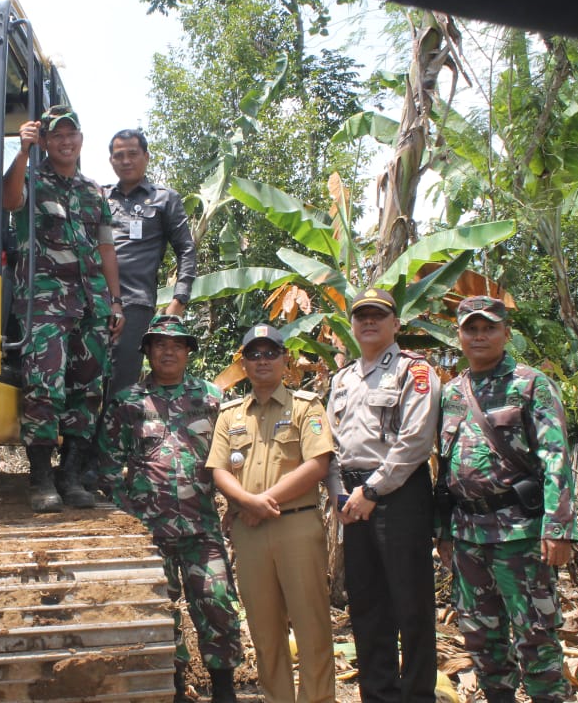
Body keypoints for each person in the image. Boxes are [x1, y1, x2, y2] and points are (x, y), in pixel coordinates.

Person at [435, 296, 577, 703]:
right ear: (459, 335)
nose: (480, 336)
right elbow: (444, 469)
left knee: (535, 635)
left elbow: (555, 457)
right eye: (471, 328)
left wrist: (560, 528)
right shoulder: (451, 393)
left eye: (489, 328)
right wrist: (443, 530)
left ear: (505, 333)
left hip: (520, 534)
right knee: (481, 638)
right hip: (467, 536)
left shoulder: (530, 384)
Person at [100, 315, 242, 703]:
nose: (168, 350)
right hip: (149, 532)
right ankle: (175, 689)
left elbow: (235, 459)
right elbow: (109, 466)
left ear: (188, 352)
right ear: (147, 351)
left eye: (177, 344)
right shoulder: (128, 401)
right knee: (161, 613)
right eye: (159, 343)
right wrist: (127, 520)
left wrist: (236, 503)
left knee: (218, 605)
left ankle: (225, 690)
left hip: (203, 527)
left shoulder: (212, 399)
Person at [1, 105, 124, 513]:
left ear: (81, 140)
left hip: (91, 302)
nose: (65, 141)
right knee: (44, 387)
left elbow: (106, 247)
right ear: (46, 142)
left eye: (71, 134)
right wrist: (21, 153)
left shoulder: (93, 191)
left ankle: (69, 475)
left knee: (87, 390)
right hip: (44, 301)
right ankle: (40, 478)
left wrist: (116, 301)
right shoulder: (32, 180)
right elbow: (8, 199)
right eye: (57, 136)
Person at [206, 324, 335, 703]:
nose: (262, 361)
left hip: (296, 526)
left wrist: (262, 503)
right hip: (249, 533)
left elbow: (318, 464)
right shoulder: (230, 415)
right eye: (254, 354)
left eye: (270, 353)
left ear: (285, 360)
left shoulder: (306, 407)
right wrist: (248, 504)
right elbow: (217, 470)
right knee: (264, 630)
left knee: (311, 627)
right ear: (243, 363)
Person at [326, 287, 440, 703]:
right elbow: (331, 446)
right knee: (367, 603)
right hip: (354, 501)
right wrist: (342, 497)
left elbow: (416, 440)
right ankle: (378, 694)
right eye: (361, 316)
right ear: (352, 325)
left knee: (410, 603)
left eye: (378, 315)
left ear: (396, 324)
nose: (369, 322)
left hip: (399, 495)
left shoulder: (415, 370)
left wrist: (372, 490)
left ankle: (417, 695)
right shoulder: (342, 378)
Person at [104, 129, 196, 394]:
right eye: (118, 156)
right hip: (94, 301)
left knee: (122, 388)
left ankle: (121, 436)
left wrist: (179, 299)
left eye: (133, 154)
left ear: (146, 156)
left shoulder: (164, 198)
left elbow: (186, 249)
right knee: (86, 386)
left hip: (135, 304)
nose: (126, 161)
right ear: (111, 160)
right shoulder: (99, 196)